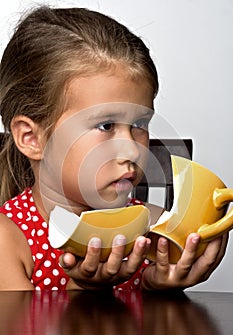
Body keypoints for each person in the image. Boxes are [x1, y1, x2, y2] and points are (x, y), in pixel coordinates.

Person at [0, 6, 228, 291]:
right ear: (33, 139)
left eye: (140, 123)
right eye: (106, 126)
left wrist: (152, 286)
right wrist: (83, 289)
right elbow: (22, 333)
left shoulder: (154, 228)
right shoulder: (8, 240)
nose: (132, 150)